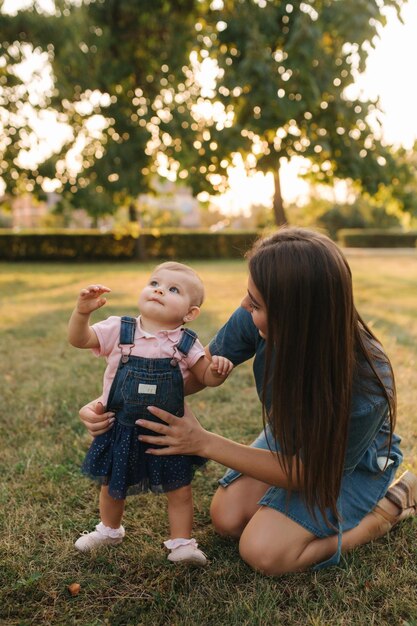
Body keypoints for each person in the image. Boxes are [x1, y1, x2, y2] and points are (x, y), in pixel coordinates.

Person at [79, 228, 417, 575]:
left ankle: (381, 516)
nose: (243, 307)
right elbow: (190, 373)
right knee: (227, 518)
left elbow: (310, 473)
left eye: (255, 304)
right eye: (249, 295)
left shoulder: (365, 383)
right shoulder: (254, 321)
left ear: (295, 316)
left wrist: (203, 442)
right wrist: (112, 402)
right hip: (289, 437)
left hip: (342, 464)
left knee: (265, 553)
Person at [69, 261, 233, 565]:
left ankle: (182, 543)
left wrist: (218, 372)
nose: (159, 290)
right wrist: (82, 313)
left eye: (173, 289)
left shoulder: (186, 342)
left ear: (190, 313)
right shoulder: (119, 328)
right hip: (121, 425)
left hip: (168, 432)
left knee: (179, 489)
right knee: (112, 485)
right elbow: (79, 340)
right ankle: (109, 529)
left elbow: (205, 377)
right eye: (155, 283)